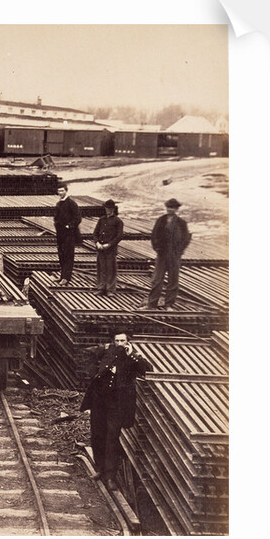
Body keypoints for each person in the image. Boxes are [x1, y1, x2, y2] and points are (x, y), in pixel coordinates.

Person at [79, 331, 152, 491]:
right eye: (117, 340)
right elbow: (86, 354)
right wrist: (94, 373)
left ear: (128, 342)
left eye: (122, 341)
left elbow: (147, 369)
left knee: (112, 438)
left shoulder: (132, 356)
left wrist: (133, 355)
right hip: (99, 402)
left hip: (117, 405)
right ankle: (100, 470)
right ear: (113, 341)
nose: (120, 343)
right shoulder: (106, 350)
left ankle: (110, 477)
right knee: (98, 435)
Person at [141, 198, 192, 311]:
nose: (170, 210)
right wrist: (157, 248)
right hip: (162, 255)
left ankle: (169, 304)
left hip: (174, 256)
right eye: (168, 207)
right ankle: (152, 304)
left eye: (172, 208)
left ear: (176, 209)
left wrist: (179, 251)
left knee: (173, 280)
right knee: (157, 280)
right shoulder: (161, 220)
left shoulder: (181, 223)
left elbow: (186, 238)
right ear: (166, 207)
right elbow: (154, 236)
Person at [93, 199, 124, 297]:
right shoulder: (101, 219)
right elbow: (95, 233)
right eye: (106, 208)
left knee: (111, 269)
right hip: (100, 248)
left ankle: (110, 289)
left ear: (113, 209)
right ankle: (101, 288)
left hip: (110, 249)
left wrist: (109, 244)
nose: (107, 210)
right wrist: (97, 242)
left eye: (109, 208)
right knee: (101, 268)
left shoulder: (118, 221)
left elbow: (119, 236)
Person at [53, 184, 82, 286]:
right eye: (59, 191)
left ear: (66, 191)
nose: (60, 193)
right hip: (60, 234)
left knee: (68, 255)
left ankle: (66, 278)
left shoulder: (72, 203)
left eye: (62, 191)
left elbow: (78, 218)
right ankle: (62, 276)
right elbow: (56, 218)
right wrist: (57, 226)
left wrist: (69, 226)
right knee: (61, 255)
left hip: (70, 235)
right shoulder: (58, 204)